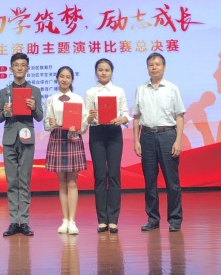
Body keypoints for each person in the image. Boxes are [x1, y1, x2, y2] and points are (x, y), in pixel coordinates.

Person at [132, 52, 186, 233]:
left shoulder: (172, 88)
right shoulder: (141, 89)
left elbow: (179, 116)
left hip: (167, 135)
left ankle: (175, 219)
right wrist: (136, 140)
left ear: (164, 67)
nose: (154, 67)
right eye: (151, 64)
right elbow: (136, 117)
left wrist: (178, 140)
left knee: (172, 181)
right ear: (147, 68)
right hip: (146, 136)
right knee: (150, 181)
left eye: (157, 64)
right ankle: (153, 219)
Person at [0, 52, 43, 236]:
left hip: (27, 138)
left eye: (23, 65)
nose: (19, 68)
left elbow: (39, 116)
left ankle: (24, 221)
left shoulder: (34, 91)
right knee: (11, 181)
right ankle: (13, 221)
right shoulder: (4, 92)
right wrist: (5, 111)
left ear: (27, 68)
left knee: (24, 180)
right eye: (16, 65)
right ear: (11, 68)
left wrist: (33, 108)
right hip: (9, 139)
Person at [85, 58, 129, 234]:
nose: (103, 73)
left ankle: (113, 220)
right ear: (96, 72)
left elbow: (126, 114)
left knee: (114, 174)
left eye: (107, 70)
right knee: (100, 175)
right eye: (100, 70)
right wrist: (90, 117)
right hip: (97, 133)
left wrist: (122, 119)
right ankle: (102, 219)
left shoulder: (119, 91)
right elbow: (86, 118)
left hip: (114, 133)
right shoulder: (90, 92)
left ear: (112, 72)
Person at [44, 66, 89, 235]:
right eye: (61, 76)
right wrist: (51, 123)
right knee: (62, 182)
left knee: (72, 181)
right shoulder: (51, 99)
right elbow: (46, 125)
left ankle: (72, 221)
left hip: (73, 138)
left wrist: (77, 128)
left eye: (68, 77)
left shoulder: (78, 99)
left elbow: (84, 124)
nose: (64, 79)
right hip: (57, 137)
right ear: (57, 78)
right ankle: (64, 219)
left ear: (72, 80)